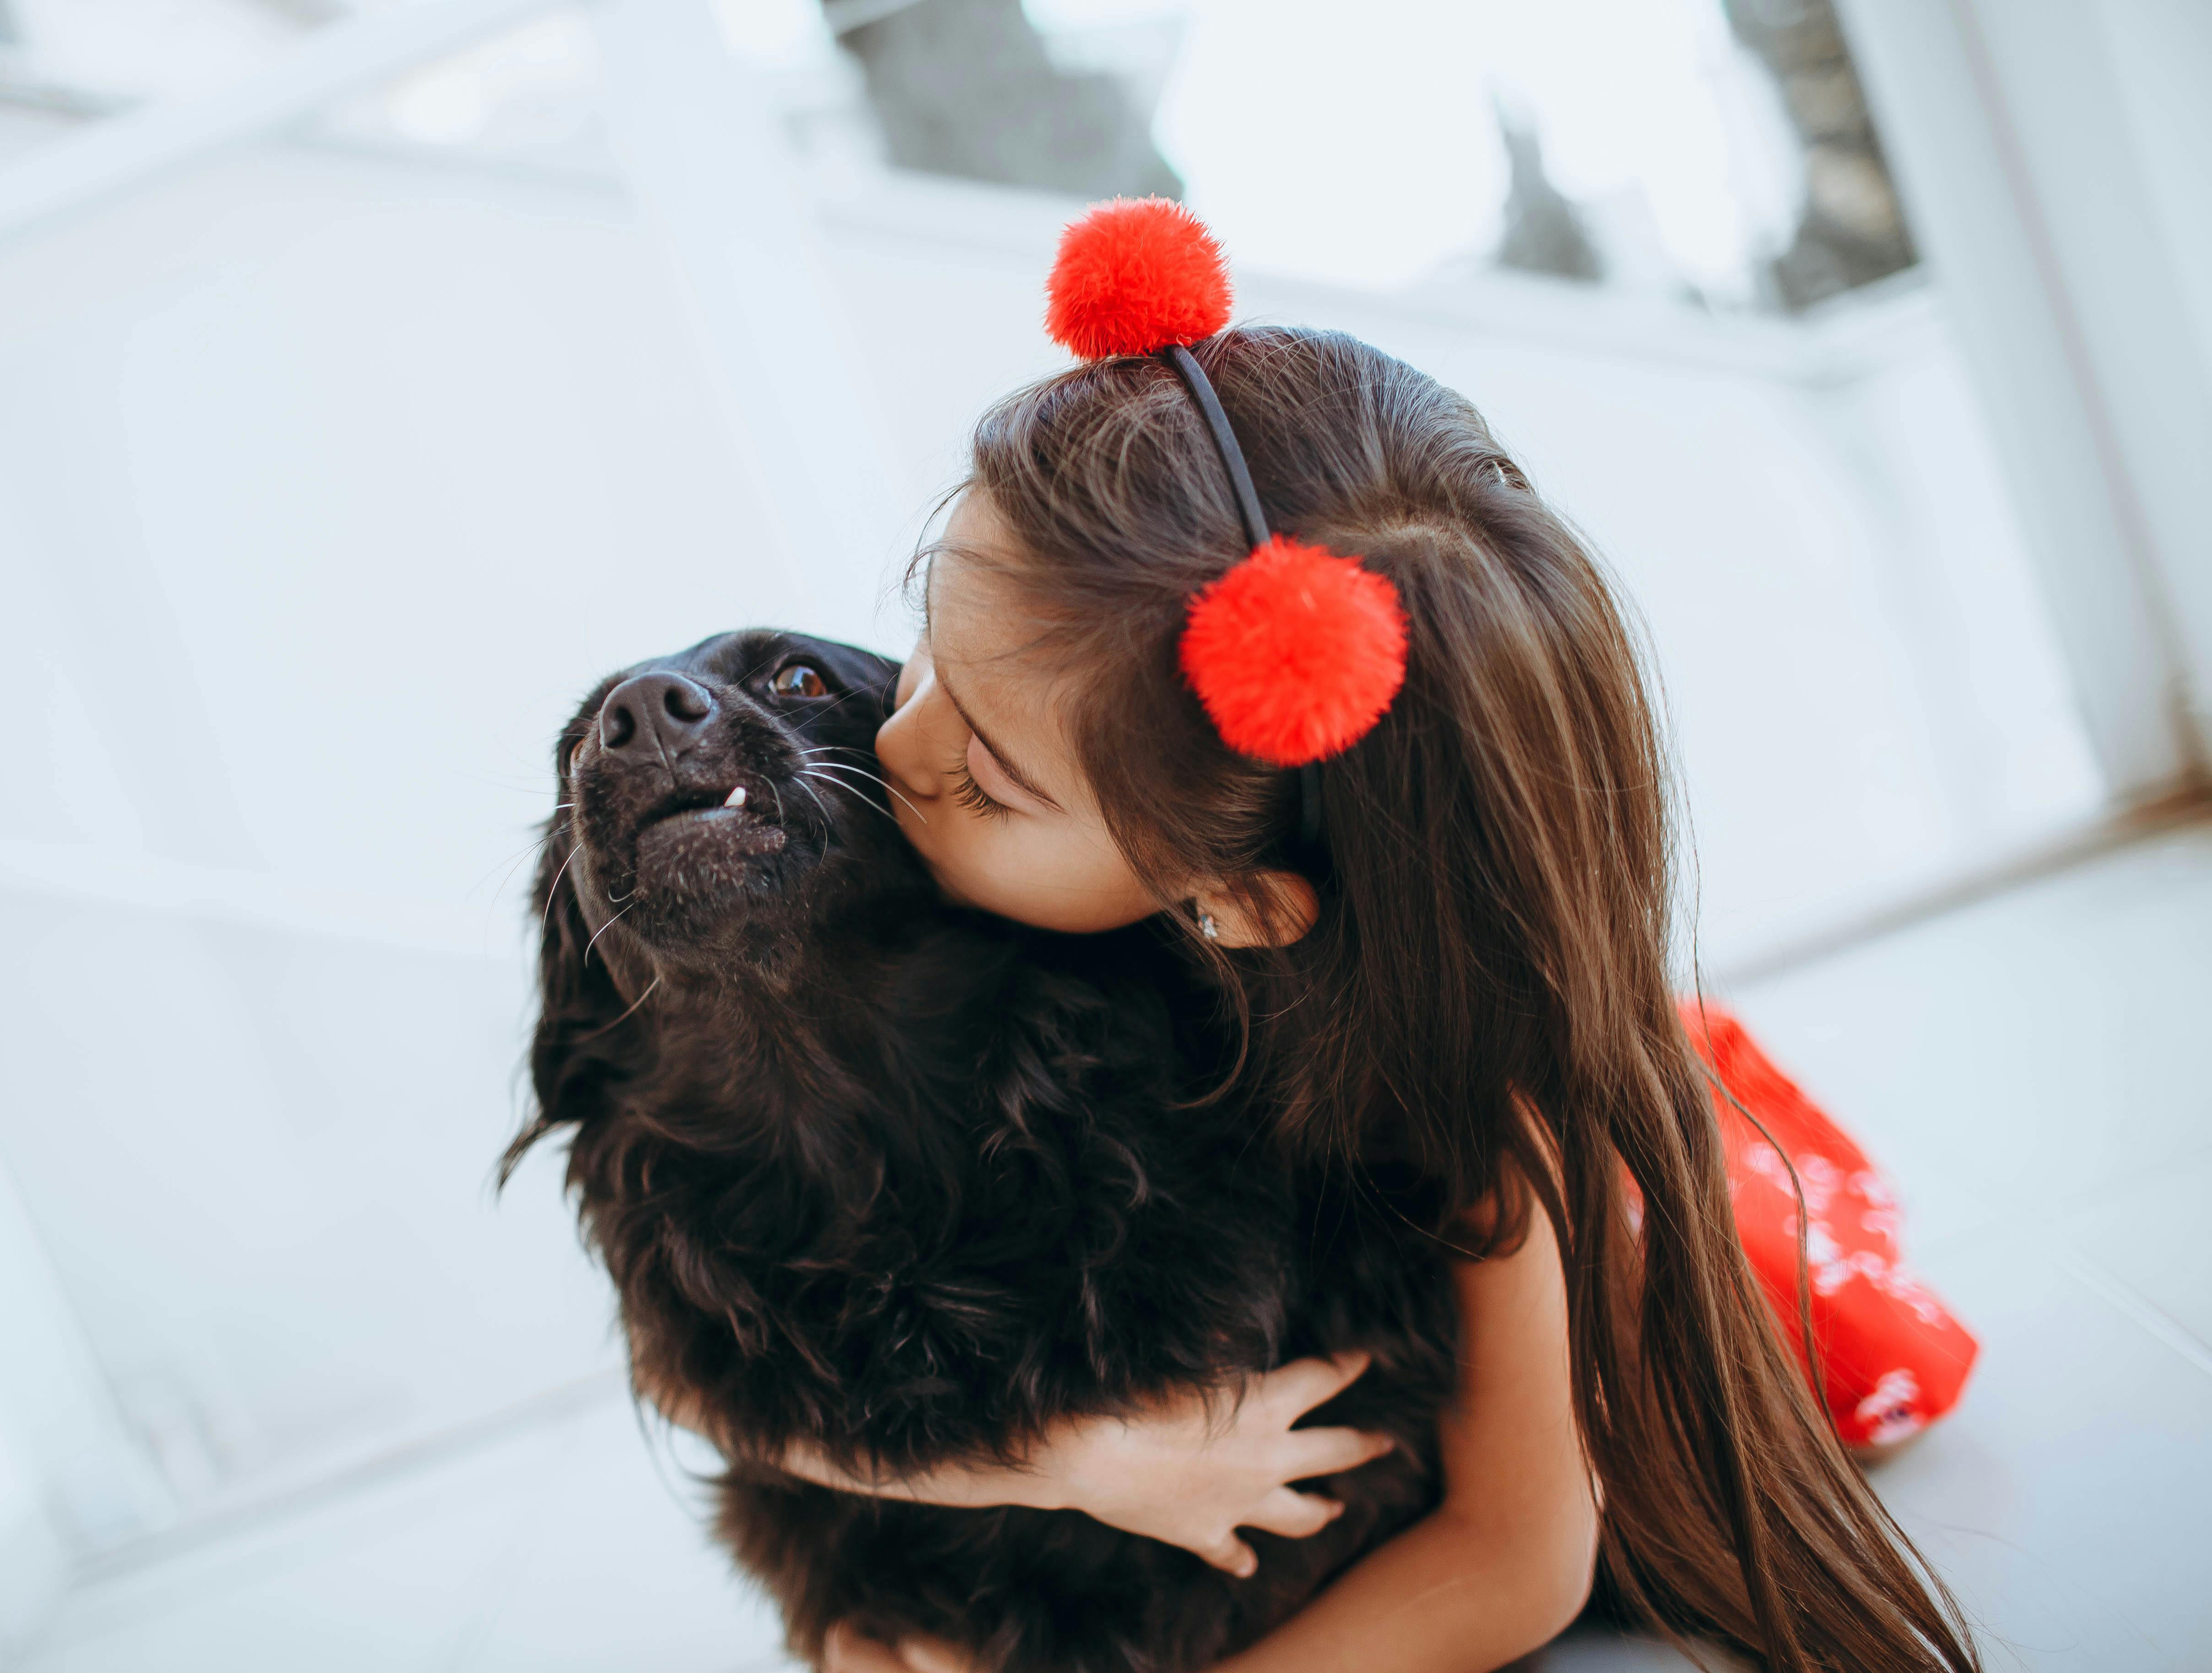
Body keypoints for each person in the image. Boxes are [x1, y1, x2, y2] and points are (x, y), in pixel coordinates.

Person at [736, 201, 1980, 1673]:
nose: (898, 739)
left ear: (1235, 899)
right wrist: (1067, 1467)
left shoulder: (1471, 1104)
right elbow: (688, 1363)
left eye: (991, 779)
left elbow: (1519, 1556)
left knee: (1789, 1339)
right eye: (922, 636)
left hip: (1631, 1218)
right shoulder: (1032, 738)